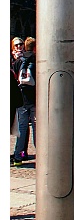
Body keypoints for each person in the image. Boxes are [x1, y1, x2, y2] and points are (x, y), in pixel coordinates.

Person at [11, 37, 34, 165]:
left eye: (21, 44)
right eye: (17, 45)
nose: (19, 47)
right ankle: (19, 153)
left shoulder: (21, 60)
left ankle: (21, 153)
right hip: (20, 98)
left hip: (24, 98)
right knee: (21, 126)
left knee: (24, 127)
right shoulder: (14, 61)